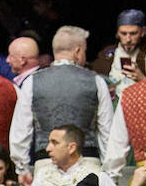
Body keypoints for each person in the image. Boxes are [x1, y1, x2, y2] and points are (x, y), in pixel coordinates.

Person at [9, 26, 113, 177]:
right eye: (84, 50)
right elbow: (107, 132)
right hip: (88, 164)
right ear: (77, 51)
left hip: (46, 165)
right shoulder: (96, 81)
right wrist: (110, 170)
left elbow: (21, 130)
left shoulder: (32, 82)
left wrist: (22, 168)